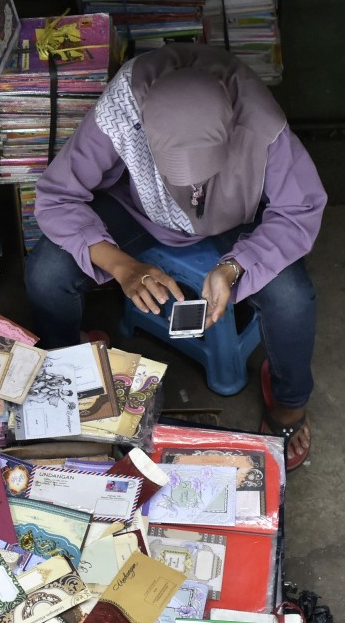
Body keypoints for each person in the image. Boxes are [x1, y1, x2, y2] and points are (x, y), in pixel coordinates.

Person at [25, 44, 327, 471]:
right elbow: (57, 196)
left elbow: (300, 208)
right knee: (46, 271)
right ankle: (71, 368)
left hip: (234, 222)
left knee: (293, 298)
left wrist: (233, 265)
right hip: (138, 211)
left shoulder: (262, 122)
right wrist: (120, 264)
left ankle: (289, 407)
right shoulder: (122, 109)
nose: (190, 190)